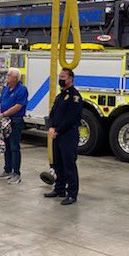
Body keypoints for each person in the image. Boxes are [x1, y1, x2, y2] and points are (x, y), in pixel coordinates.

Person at [43, 68, 83, 205]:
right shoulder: (60, 96)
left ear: (70, 79)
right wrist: (51, 127)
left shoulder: (74, 97)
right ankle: (59, 189)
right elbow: (54, 113)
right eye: (59, 76)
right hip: (57, 135)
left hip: (68, 135)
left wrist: (58, 129)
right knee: (58, 163)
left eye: (63, 77)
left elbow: (71, 118)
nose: (60, 79)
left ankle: (72, 194)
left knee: (69, 164)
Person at [0, 68, 28, 184]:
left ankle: (16, 173)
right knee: (6, 145)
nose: (7, 77)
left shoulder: (22, 90)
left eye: (9, 75)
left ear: (15, 78)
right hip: (5, 120)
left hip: (15, 121)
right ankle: (7, 169)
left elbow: (18, 106)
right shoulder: (6, 89)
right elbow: (0, 102)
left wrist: (4, 114)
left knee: (14, 146)